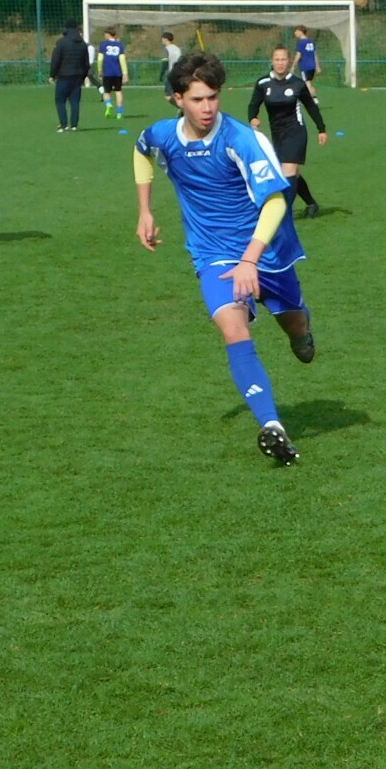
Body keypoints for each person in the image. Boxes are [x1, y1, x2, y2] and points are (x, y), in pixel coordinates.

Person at [135, 51, 315, 464]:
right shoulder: (164, 135)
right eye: (197, 99)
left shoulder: (241, 139)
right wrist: (145, 210)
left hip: (266, 250)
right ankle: (272, 426)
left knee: (295, 327)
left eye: (213, 97)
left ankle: (301, 331)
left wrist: (250, 259)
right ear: (177, 99)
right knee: (233, 330)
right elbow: (141, 148)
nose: (207, 108)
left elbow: (275, 202)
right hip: (213, 252)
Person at [248, 46, 328, 219]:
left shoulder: (297, 83)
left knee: (288, 171)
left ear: (289, 61)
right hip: (277, 134)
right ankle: (311, 203)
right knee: (292, 174)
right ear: (272, 61)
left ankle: (282, 215)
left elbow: (311, 106)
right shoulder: (263, 83)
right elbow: (253, 105)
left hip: (295, 131)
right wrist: (253, 118)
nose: (280, 63)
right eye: (277, 59)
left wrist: (321, 129)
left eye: (283, 59)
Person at [49, 19, 90, 132]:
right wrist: (83, 76)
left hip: (64, 75)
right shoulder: (83, 44)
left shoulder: (61, 42)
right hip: (78, 76)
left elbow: (56, 60)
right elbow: (86, 63)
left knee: (60, 100)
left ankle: (64, 125)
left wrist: (52, 75)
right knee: (75, 101)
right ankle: (74, 125)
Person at [97, 28, 127, 119]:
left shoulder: (103, 45)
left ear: (108, 34)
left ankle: (108, 104)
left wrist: (99, 70)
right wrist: (125, 73)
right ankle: (119, 113)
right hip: (117, 72)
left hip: (107, 72)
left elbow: (100, 59)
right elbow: (122, 60)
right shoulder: (120, 45)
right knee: (118, 91)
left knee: (106, 92)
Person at [293, 26, 320, 99]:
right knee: (309, 82)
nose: (295, 33)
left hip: (305, 67)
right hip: (312, 66)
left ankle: (310, 100)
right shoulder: (311, 42)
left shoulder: (301, 43)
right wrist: (317, 66)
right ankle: (315, 99)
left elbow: (298, 55)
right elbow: (315, 55)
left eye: (296, 31)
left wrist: (293, 66)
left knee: (306, 84)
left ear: (300, 32)